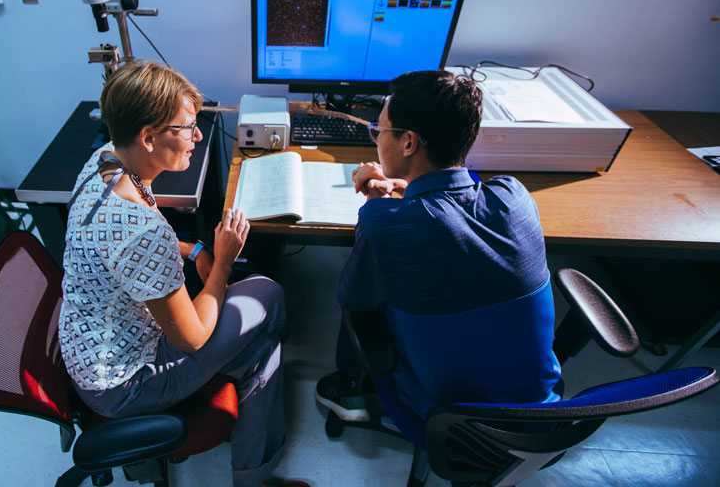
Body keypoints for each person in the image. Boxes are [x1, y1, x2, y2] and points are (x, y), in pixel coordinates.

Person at [59, 61, 307, 487]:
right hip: (126, 385)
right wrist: (224, 261)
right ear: (148, 137)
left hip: (88, 350)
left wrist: (193, 250)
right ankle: (254, 477)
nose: (196, 136)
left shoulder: (102, 163)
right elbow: (191, 338)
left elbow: (119, 243)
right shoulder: (142, 231)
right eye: (187, 127)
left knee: (260, 346)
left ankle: (253, 466)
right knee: (267, 294)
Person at [315, 70, 562, 426]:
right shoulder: (515, 197)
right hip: (539, 413)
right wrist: (410, 186)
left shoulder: (384, 223)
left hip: (447, 419)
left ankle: (347, 384)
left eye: (379, 130)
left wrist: (374, 206)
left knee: (365, 291)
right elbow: (465, 193)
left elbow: (354, 299)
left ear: (408, 143)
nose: (376, 139)